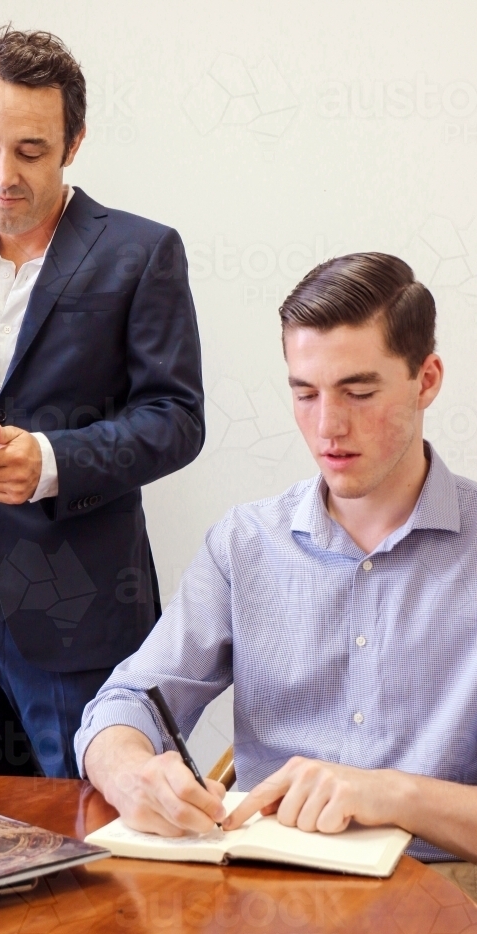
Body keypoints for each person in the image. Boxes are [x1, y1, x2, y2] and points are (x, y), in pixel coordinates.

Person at [77, 251, 477, 888]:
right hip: (272, 897)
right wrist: (131, 771)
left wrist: (396, 796)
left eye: (359, 391)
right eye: (305, 393)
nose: (328, 427)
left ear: (426, 380)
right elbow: (123, 702)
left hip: (443, 898)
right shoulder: (245, 543)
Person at [0, 28, 204, 779]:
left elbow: (177, 418)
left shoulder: (140, 253)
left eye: (29, 151)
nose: (2, 175)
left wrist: (50, 462)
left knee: (89, 844)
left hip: (82, 617)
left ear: (73, 142)